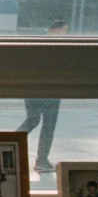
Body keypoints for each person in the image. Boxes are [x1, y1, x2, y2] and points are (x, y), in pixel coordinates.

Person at [16, 20, 66, 174]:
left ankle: (10, 144)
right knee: (48, 125)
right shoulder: (55, 46)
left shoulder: (37, 41)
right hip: (49, 91)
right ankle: (41, 160)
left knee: (33, 120)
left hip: (32, 90)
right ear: (56, 30)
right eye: (64, 30)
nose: (65, 33)